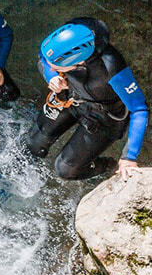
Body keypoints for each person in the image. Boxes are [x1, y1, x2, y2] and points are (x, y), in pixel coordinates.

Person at [27, 18, 146, 180]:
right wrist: (52, 76)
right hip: (71, 96)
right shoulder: (69, 38)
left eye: (56, 66)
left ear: (77, 61)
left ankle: (106, 166)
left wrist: (129, 157)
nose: (52, 67)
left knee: (65, 169)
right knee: (34, 143)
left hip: (103, 117)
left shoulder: (111, 69)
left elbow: (139, 109)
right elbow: (43, 60)